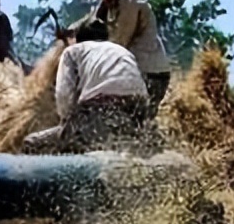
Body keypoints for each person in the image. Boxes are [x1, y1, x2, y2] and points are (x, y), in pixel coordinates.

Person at [62, 0, 172, 116]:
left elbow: (117, 46)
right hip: (133, 71)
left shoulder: (130, 2)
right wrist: (71, 30)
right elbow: (93, 18)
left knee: (127, 120)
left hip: (150, 75)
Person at [23, 20, 149, 154]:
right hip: (136, 111)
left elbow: (63, 94)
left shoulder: (73, 51)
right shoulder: (122, 51)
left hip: (99, 110)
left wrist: (66, 121)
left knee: (31, 143)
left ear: (79, 39)